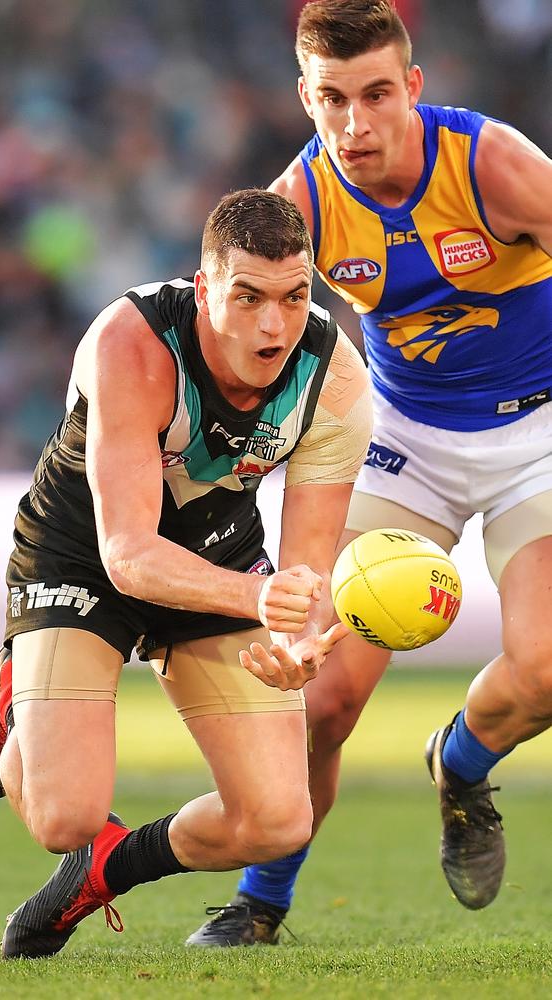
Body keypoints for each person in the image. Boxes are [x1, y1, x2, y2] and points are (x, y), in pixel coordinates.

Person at [187, 0, 552, 947]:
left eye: (378, 95)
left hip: (538, 437)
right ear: (304, 98)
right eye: (334, 100)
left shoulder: (493, 166)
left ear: (414, 89)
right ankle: (261, 904)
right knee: (324, 695)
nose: (357, 125)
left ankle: (461, 763)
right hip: (404, 443)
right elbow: (233, 343)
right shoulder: (298, 206)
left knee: (547, 668)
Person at [0, 187, 373, 959]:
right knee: (63, 818)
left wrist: (301, 639)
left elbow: (309, 568)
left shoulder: (339, 383)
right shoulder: (133, 343)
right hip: (81, 551)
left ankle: (109, 867)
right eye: (248, 296)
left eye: (293, 297)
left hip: (215, 548)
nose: (275, 324)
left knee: (279, 821)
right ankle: (11, 694)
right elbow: (128, 551)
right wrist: (261, 595)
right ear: (204, 285)